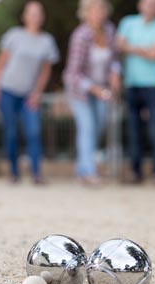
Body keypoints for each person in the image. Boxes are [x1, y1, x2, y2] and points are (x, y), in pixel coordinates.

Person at [0, 1, 59, 185]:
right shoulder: (14, 36)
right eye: (31, 13)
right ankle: (14, 172)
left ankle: (36, 173)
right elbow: (1, 62)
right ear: (24, 16)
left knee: (33, 132)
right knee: (10, 133)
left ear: (42, 17)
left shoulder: (47, 41)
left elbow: (45, 71)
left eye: (38, 13)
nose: (35, 17)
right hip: (8, 91)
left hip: (29, 94)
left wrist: (37, 93)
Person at [63, 0, 121, 186]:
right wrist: (94, 89)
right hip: (80, 90)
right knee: (87, 127)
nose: (99, 15)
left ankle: (82, 168)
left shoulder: (110, 31)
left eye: (101, 10)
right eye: (94, 11)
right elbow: (73, 73)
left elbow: (114, 59)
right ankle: (89, 171)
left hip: (101, 88)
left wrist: (115, 74)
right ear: (86, 13)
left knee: (98, 127)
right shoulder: (80, 36)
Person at [117, 0, 155, 185]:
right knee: (133, 131)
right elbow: (119, 46)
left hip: (153, 85)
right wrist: (145, 50)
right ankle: (136, 172)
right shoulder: (128, 23)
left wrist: (131, 48)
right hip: (131, 84)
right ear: (140, 5)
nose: (150, 7)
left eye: (154, 4)